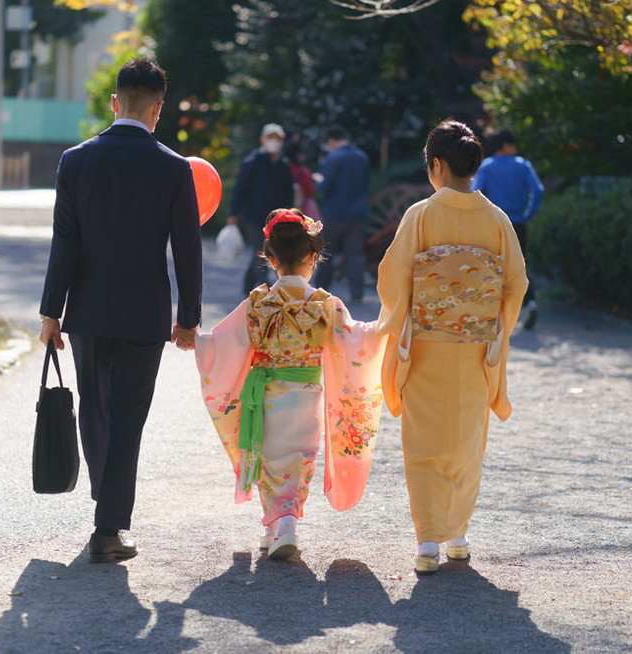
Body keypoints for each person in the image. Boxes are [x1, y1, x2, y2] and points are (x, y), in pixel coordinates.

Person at [38, 57, 203, 564]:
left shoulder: (75, 161)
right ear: (157, 110)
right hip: (144, 313)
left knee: (95, 408)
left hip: (87, 309)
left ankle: (105, 503)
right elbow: (187, 249)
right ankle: (109, 528)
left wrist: (51, 313)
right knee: (128, 417)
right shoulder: (175, 169)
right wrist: (188, 318)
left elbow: (64, 243)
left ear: (114, 103)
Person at [376, 119, 528, 574]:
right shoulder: (498, 220)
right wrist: (494, 327)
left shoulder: (420, 215)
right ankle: (458, 534)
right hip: (477, 349)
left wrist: (395, 321)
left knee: (424, 445)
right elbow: (516, 284)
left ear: (437, 165)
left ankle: (427, 541)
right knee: (466, 442)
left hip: (425, 348)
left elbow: (395, 277)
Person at [195, 209, 387, 561]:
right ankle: (284, 525)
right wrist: (384, 326)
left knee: (269, 456)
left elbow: (224, 342)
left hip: (265, 393)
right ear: (313, 257)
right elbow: (357, 338)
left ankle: (277, 524)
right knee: (299, 458)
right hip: (306, 395)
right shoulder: (325, 304)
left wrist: (196, 340)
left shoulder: (257, 302)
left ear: (269, 258)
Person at [472, 130, 543, 329]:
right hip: (518, 222)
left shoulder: (486, 167)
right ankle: (530, 303)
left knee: (490, 265)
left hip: (492, 223)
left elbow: (475, 191)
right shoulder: (523, 165)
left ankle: (489, 315)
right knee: (518, 266)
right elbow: (538, 190)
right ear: (506, 145)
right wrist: (528, 215)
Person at [226, 123, 294, 294]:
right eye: (270, 137)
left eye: (277, 138)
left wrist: (291, 215)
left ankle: (247, 286)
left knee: (262, 250)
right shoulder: (252, 162)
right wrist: (233, 213)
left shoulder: (283, 165)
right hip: (254, 217)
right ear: (262, 139)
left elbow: (288, 193)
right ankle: (267, 290)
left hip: (276, 218)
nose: (274, 142)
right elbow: (240, 189)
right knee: (262, 251)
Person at [314, 125, 370, 304]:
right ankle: (357, 293)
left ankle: (320, 291)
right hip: (358, 212)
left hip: (336, 212)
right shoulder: (362, 156)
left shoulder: (334, 157)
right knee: (355, 255)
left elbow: (325, 186)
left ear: (331, 141)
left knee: (327, 252)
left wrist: (317, 181)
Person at [284, 138, 321, 220]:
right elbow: (310, 192)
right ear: (298, 154)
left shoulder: (283, 169)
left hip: (286, 208)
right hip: (304, 209)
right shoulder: (304, 171)